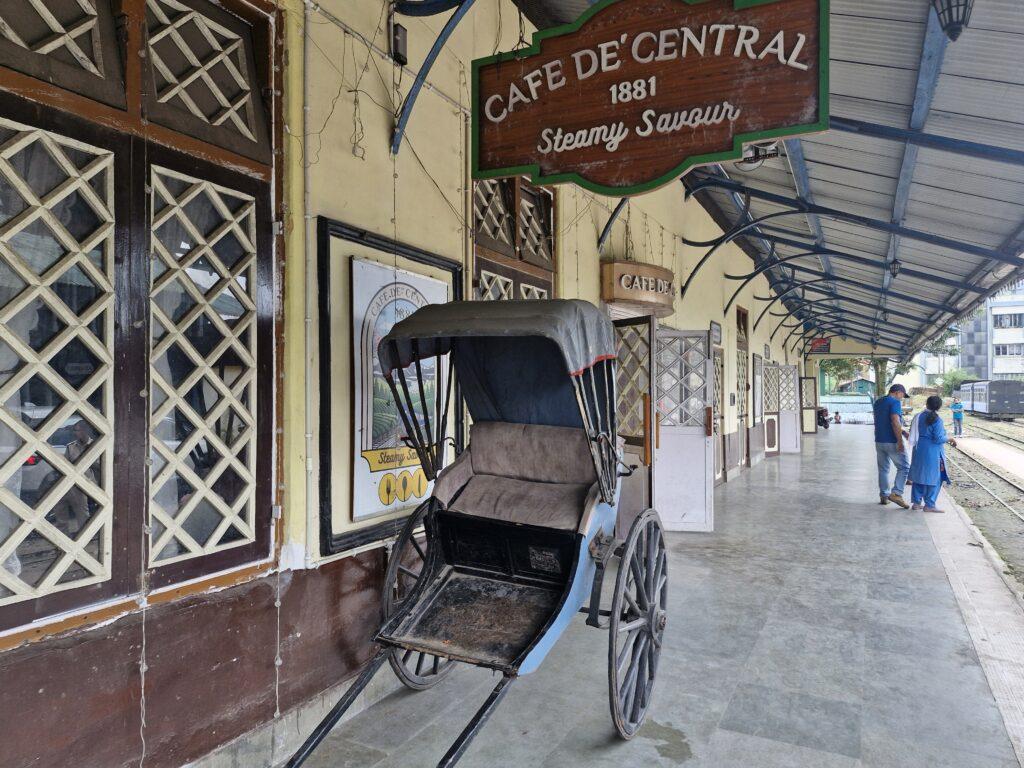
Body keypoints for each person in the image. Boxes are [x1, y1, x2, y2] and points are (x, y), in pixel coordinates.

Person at [909, 395, 956, 512]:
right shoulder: (937, 420)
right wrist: (950, 438)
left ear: (927, 403)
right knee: (935, 477)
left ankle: (916, 503)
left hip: (919, 448)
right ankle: (929, 504)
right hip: (932, 451)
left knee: (919, 475)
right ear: (939, 407)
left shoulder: (918, 416)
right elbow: (939, 439)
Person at [873, 383, 910, 508]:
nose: (902, 398)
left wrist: (903, 432)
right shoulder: (894, 402)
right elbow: (895, 421)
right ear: (897, 392)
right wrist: (900, 441)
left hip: (879, 440)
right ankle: (897, 493)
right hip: (892, 441)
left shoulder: (878, 402)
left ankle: (884, 495)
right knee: (904, 467)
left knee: (883, 469)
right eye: (902, 395)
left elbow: (883, 421)